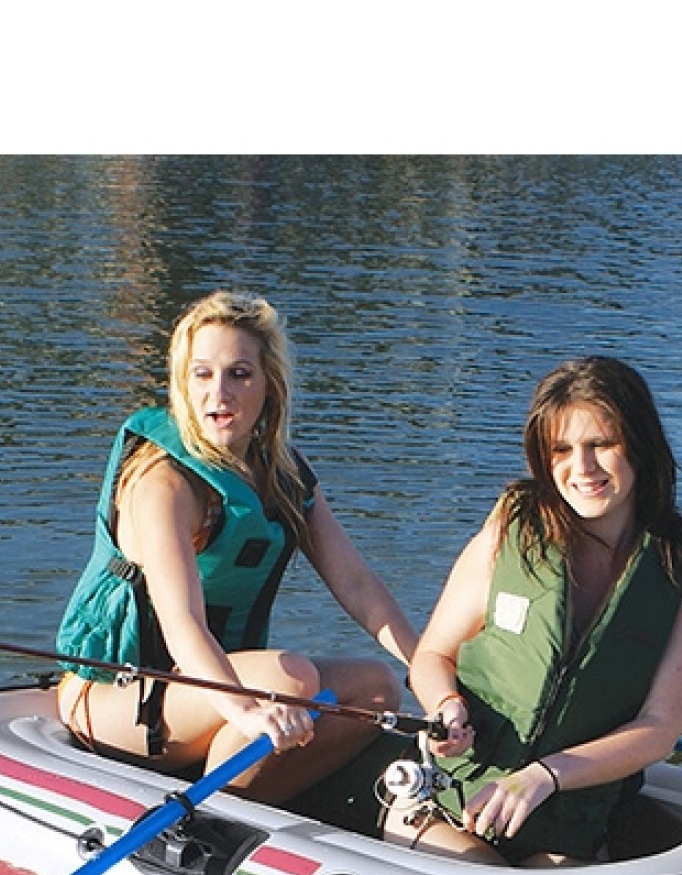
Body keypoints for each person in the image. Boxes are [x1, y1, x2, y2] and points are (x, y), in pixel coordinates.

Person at [55, 290, 417, 803]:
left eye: (239, 374)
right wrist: (245, 711)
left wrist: (427, 667)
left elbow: (357, 585)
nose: (218, 394)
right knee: (290, 679)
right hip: (114, 695)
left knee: (377, 688)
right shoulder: (163, 482)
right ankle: (211, 814)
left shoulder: (283, 475)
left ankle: (250, 801)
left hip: (204, 689)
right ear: (182, 383)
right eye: (202, 374)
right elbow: (182, 622)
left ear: (270, 384)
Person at [379, 355, 682, 864]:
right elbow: (432, 655)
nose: (581, 468)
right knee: (482, 874)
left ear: (640, 445)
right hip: (444, 803)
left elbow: (660, 727)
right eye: (562, 449)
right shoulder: (511, 530)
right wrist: (446, 705)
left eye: (601, 444)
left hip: (568, 826)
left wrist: (545, 776)